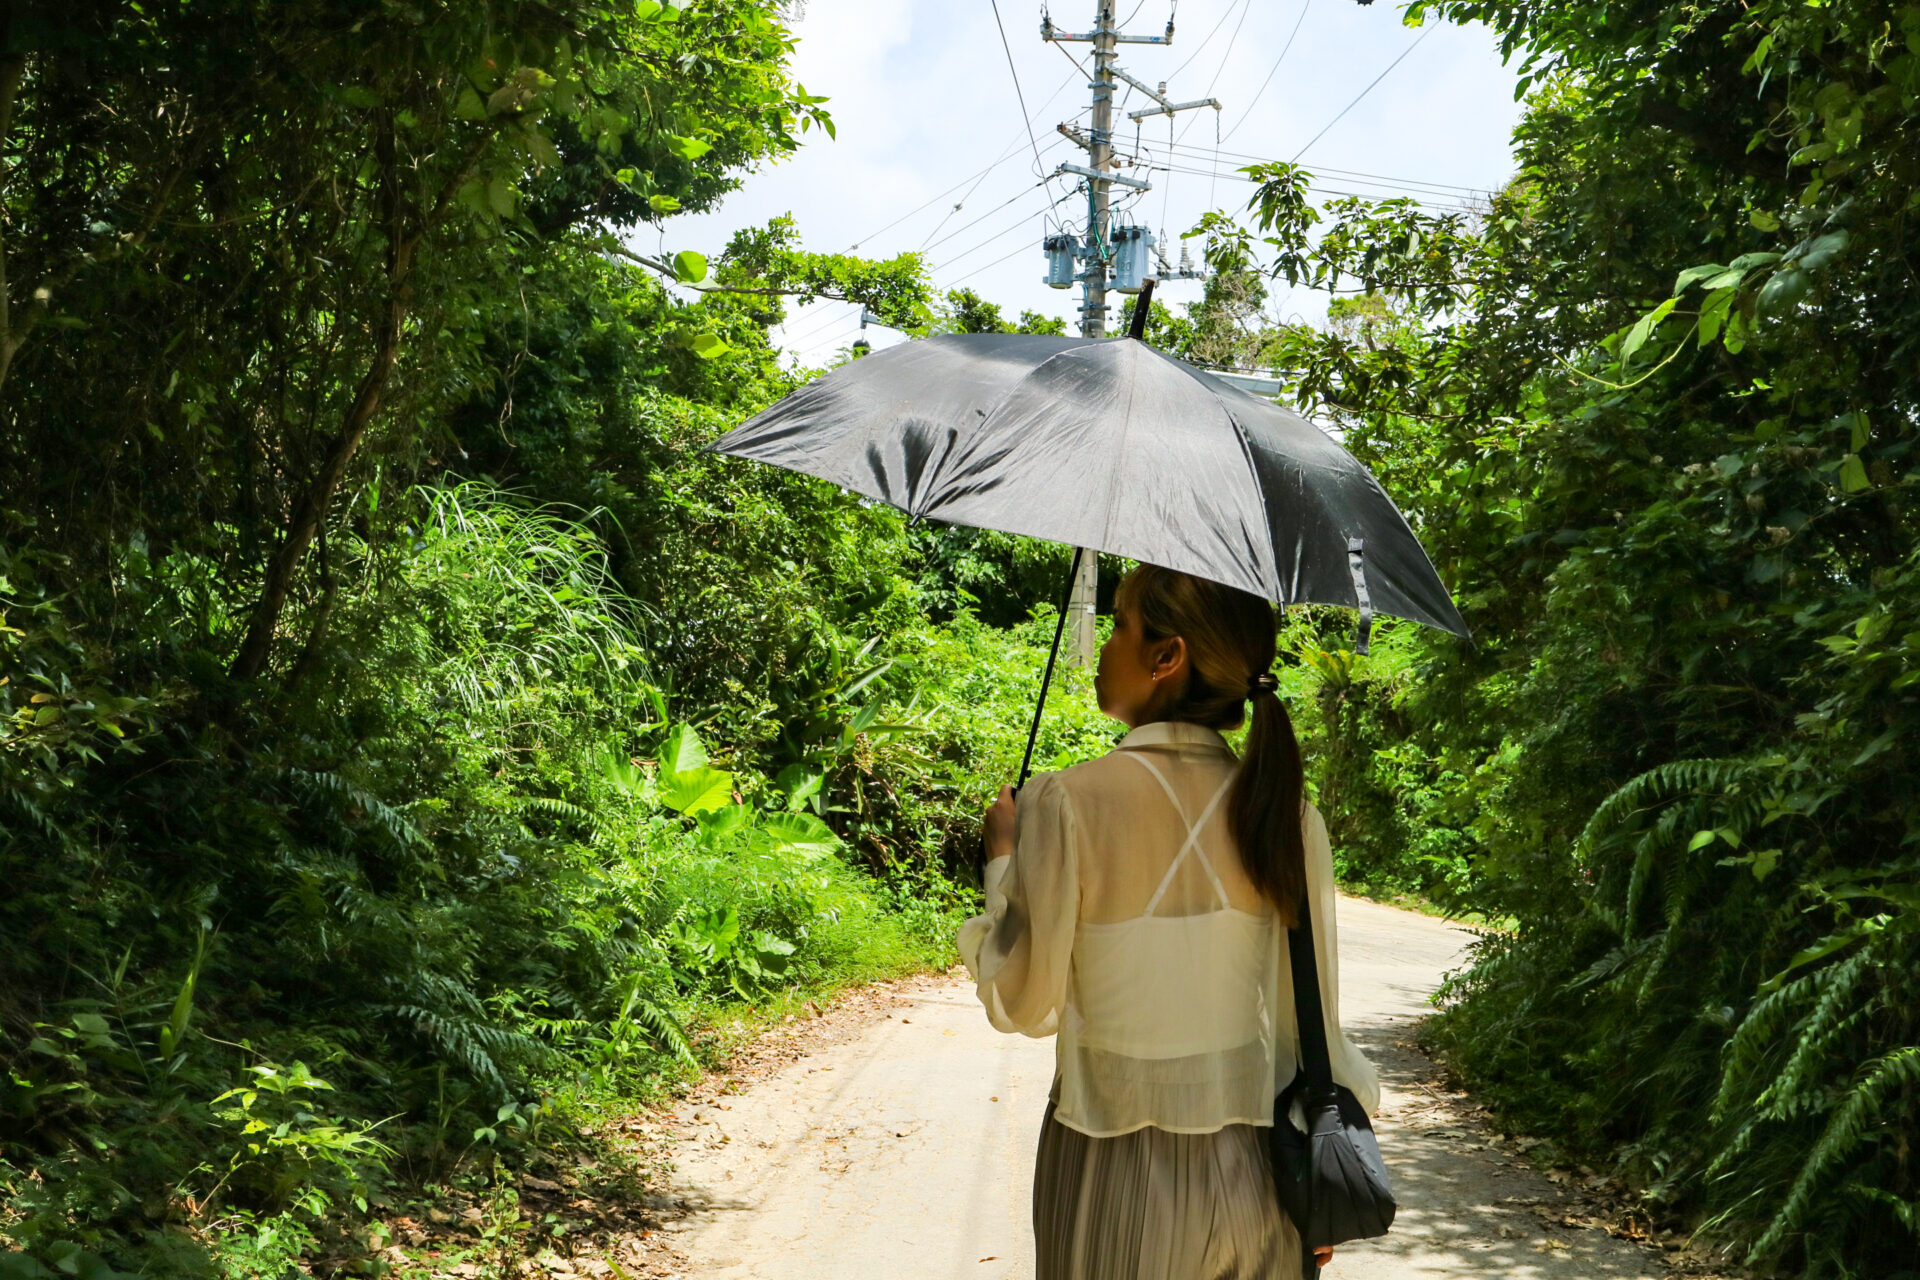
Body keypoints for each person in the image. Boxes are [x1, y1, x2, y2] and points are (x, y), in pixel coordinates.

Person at [957, 563, 1380, 1280]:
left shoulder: (1070, 803)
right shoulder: (1286, 816)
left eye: (1119, 625)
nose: (1104, 646)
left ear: (1166, 656)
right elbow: (1309, 1029)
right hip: (1263, 1177)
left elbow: (1024, 1003)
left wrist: (1002, 861)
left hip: (1113, 1164)